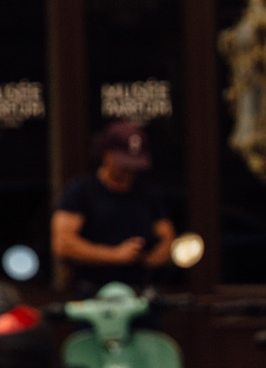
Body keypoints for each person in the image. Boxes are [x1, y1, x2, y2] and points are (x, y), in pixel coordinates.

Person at [51, 124, 175, 293]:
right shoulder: (82, 191)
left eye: (134, 164)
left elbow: (167, 236)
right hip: (95, 293)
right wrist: (116, 255)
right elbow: (63, 244)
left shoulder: (147, 193)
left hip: (139, 291)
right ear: (106, 154)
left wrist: (154, 256)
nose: (129, 171)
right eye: (124, 164)